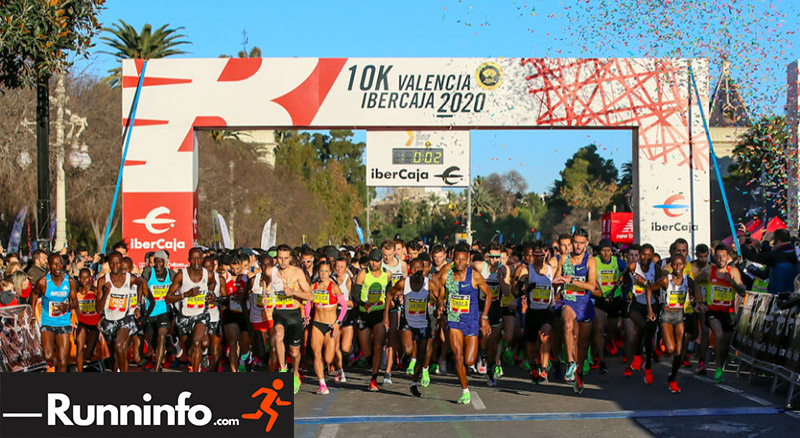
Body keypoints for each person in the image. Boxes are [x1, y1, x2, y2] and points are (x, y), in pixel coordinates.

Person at [437, 243, 492, 405]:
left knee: (469, 360)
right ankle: (465, 390)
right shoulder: (447, 275)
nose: (460, 262)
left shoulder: (474, 276)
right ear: (453, 260)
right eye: (457, 259)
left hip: (472, 320)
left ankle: (473, 366)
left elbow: (488, 294)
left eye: (463, 259)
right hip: (454, 319)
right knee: (458, 355)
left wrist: (485, 317)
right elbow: (440, 294)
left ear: (468, 260)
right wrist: (440, 304)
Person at [553, 229, 598, 394]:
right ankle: (570, 362)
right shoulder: (564, 259)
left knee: (583, 344)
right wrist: (555, 282)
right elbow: (556, 279)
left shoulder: (590, 261)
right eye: (576, 242)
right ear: (572, 243)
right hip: (569, 301)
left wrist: (572, 280)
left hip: (584, 304)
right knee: (567, 323)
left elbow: (592, 286)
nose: (578, 246)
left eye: (581, 243)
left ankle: (579, 373)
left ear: (586, 244)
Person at [694, 244, 746, 383]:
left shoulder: (733, 271)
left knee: (725, 344)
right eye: (718, 256)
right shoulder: (707, 271)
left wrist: (732, 282)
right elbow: (696, 283)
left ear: (727, 257)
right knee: (718, 334)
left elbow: (742, 291)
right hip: (713, 311)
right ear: (714, 256)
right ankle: (717, 369)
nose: (721, 259)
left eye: (723, 256)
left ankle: (720, 365)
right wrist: (700, 302)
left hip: (728, 312)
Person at [390, 258, 438, 397]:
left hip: (423, 323)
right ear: (410, 270)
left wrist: (438, 304)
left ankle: (414, 384)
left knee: (422, 356)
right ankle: (410, 360)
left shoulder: (429, 283)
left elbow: (439, 296)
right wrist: (393, 301)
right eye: (414, 269)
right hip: (407, 322)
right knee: (409, 349)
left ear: (423, 270)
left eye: (419, 269)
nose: (417, 271)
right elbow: (390, 293)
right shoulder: (403, 283)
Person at [647, 255, 694, 393]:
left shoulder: (688, 280)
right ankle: (660, 344)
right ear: (671, 266)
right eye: (675, 265)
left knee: (679, 352)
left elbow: (694, 293)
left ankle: (672, 379)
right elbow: (649, 289)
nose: (678, 268)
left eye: (680, 265)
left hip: (679, 315)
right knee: (671, 349)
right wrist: (650, 310)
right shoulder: (666, 280)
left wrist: (697, 303)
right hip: (666, 315)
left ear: (684, 265)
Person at [165, 248, 216, 373]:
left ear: (202, 259)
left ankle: (196, 370)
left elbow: (213, 283)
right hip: (184, 316)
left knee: (198, 343)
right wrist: (186, 294)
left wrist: (210, 294)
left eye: (199, 258)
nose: (196, 262)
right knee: (189, 351)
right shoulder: (181, 275)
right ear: (189, 260)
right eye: (193, 259)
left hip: (200, 315)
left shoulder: (207, 274)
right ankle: (184, 349)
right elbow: (168, 298)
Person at [272, 244, 313, 394]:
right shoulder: (272, 272)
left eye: (285, 258)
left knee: (294, 352)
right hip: (279, 312)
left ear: (290, 258)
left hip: (294, 313)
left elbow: (310, 295)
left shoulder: (297, 273)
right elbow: (264, 287)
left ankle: (295, 372)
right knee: (278, 335)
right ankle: (283, 369)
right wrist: (265, 297)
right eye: (280, 258)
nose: (282, 262)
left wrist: (294, 292)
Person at [96, 252, 145, 372]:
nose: (115, 266)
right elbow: (98, 308)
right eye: (112, 263)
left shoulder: (130, 278)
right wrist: (106, 293)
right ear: (109, 264)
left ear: (121, 263)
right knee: (114, 354)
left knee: (119, 344)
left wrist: (138, 306)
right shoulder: (103, 281)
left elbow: (141, 284)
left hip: (125, 318)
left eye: (118, 263)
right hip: (109, 320)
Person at [304, 260, 347, 395]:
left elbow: (344, 307)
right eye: (321, 271)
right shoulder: (313, 286)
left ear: (330, 272)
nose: (323, 274)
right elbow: (308, 302)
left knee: (328, 358)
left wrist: (338, 323)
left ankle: (328, 369)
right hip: (317, 323)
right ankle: (322, 384)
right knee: (316, 353)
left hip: (330, 325)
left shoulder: (334, 287)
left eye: (326, 271)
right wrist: (307, 316)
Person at [354, 248, 393, 391]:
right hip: (364, 314)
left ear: (381, 261)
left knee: (378, 346)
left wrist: (390, 304)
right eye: (371, 260)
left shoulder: (387, 274)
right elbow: (355, 295)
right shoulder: (362, 275)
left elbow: (389, 293)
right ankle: (372, 360)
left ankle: (374, 378)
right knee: (367, 351)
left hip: (379, 313)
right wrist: (365, 304)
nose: (373, 263)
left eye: (376, 261)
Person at [516, 242, 556, 384]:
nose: (539, 259)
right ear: (532, 256)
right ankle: (533, 365)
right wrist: (526, 288)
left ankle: (544, 368)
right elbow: (517, 290)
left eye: (541, 256)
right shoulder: (527, 270)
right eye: (536, 256)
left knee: (545, 337)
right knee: (532, 342)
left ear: (546, 255)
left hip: (547, 310)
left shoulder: (552, 269)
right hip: (533, 311)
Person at [29, 254, 77, 372]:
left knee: (63, 360)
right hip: (48, 322)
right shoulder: (43, 282)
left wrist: (67, 306)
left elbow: (75, 302)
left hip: (63, 322)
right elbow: (34, 294)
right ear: (49, 266)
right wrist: (32, 314)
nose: (57, 267)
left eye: (59, 263)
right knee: (48, 356)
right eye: (54, 264)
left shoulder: (69, 281)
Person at [472, 242, 508, 386]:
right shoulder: (480, 267)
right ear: (487, 256)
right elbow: (467, 270)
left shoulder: (503, 269)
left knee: (494, 341)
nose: (494, 260)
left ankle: (490, 371)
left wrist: (500, 279)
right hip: (481, 308)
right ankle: (483, 354)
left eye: (497, 257)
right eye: (492, 257)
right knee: (485, 335)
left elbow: (507, 292)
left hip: (495, 309)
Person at [622, 243, 658, 384]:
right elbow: (624, 276)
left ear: (653, 256)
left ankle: (647, 367)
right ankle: (637, 355)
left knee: (649, 340)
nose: (646, 257)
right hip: (636, 305)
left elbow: (658, 290)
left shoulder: (656, 269)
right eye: (643, 254)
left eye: (649, 255)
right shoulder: (633, 267)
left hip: (652, 305)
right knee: (641, 326)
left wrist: (646, 282)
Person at [592, 239, 627, 374]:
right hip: (600, 299)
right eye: (603, 251)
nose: (606, 254)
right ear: (599, 252)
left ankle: (609, 342)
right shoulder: (594, 261)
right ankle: (601, 360)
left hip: (614, 299)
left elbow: (627, 274)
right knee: (599, 328)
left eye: (608, 251)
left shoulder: (617, 261)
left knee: (612, 329)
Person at [142, 250, 175, 372]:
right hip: (150, 312)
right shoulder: (147, 273)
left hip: (164, 312)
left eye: (161, 261)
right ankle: (160, 355)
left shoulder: (171, 274)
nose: (159, 264)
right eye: (157, 261)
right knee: (153, 340)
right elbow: (141, 288)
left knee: (161, 336)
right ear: (154, 262)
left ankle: (157, 369)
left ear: (165, 262)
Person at [740, 228, 799, 295]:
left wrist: (742, 244)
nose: (773, 242)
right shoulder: (791, 251)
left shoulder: (776, 256)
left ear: (778, 240)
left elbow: (752, 256)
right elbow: (774, 251)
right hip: (791, 292)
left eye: (773, 239)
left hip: (778, 294)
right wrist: (761, 245)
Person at [243, 255, 276, 372]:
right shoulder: (253, 281)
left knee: (273, 349)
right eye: (263, 264)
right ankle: (257, 358)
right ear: (260, 265)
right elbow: (243, 301)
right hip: (256, 320)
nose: (266, 267)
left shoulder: (277, 281)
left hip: (272, 319)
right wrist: (247, 322)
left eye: (269, 265)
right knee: (261, 352)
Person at [381, 239, 407, 384]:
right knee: (381, 337)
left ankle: (388, 372)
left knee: (392, 334)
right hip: (381, 303)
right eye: (384, 255)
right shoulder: (380, 265)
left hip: (395, 304)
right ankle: (381, 356)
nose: (387, 258)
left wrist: (401, 294)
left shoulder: (402, 265)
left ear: (395, 253)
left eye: (390, 255)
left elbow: (405, 282)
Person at [332, 256, 355, 382]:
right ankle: (340, 372)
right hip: (333, 314)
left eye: (342, 267)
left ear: (346, 268)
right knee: (335, 345)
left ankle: (352, 351)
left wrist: (342, 302)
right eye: (337, 266)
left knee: (345, 347)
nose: (339, 269)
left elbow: (353, 302)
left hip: (347, 313)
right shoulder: (331, 279)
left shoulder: (348, 280)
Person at [691, 244, 711, 375]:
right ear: (696, 254)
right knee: (691, 332)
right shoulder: (690, 267)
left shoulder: (711, 268)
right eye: (700, 257)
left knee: (705, 330)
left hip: (704, 303)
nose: (703, 260)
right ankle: (686, 353)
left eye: (705, 256)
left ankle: (701, 361)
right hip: (690, 302)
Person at [75, 268, 100, 372]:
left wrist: (101, 319)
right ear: (79, 278)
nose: (84, 280)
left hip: (94, 323)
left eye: (86, 277)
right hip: (82, 323)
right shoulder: (75, 292)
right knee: (79, 348)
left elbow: (101, 305)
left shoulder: (95, 291)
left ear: (90, 278)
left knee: (88, 354)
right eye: (81, 277)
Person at [204, 255, 227, 372]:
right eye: (205, 267)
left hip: (215, 316)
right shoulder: (196, 279)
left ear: (214, 267)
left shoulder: (220, 280)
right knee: (203, 343)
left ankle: (214, 369)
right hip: (200, 316)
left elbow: (225, 299)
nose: (207, 270)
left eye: (210, 267)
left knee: (215, 346)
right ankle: (203, 359)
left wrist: (215, 300)